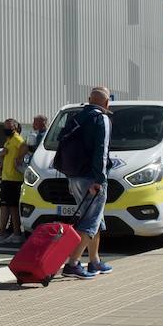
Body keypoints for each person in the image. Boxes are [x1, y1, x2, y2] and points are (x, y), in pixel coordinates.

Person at [56, 87, 114, 280]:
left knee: (94, 220)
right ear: (106, 103)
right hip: (92, 177)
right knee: (90, 222)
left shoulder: (76, 118)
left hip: (74, 176)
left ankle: (95, 261)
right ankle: (72, 263)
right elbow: (101, 151)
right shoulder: (101, 119)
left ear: (89, 100)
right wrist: (100, 179)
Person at [0, 118, 24, 245]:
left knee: (10, 207)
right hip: (7, 177)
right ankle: (12, 232)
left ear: (15, 127)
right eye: (5, 127)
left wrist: (19, 157)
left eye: (9, 127)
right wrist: (1, 159)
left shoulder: (17, 139)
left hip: (13, 178)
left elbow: (24, 146)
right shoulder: (9, 141)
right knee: (7, 207)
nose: (6, 130)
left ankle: (8, 233)